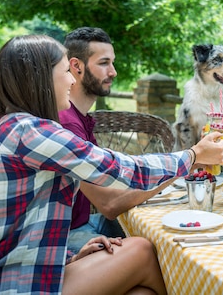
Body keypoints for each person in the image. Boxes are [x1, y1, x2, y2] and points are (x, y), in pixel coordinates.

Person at [0, 34, 223, 295]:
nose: (72, 81)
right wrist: (193, 155)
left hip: (17, 273)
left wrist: (70, 258)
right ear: (40, 79)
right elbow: (120, 170)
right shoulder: (30, 133)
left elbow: (19, 231)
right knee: (141, 249)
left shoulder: (13, 128)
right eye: (66, 71)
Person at [61, 27, 172, 254]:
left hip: (87, 221)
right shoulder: (67, 123)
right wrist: (182, 168)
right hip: (68, 235)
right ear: (77, 66)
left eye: (112, 63)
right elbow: (110, 205)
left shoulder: (80, 117)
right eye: (104, 63)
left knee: (165, 233)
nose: (113, 72)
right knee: (154, 250)